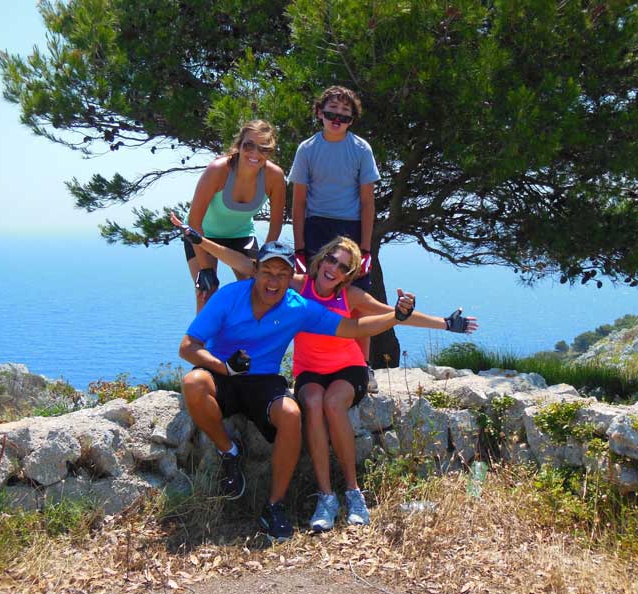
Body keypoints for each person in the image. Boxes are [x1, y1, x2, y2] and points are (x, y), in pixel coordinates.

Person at [171, 218, 479, 533]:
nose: (334, 267)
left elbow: (362, 325)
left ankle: (320, 497)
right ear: (320, 259)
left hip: (323, 372)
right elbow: (243, 265)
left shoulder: (315, 303)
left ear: (350, 274)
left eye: (343, 266)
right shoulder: (289, 286)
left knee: (315, 408)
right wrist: (200, 241)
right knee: (208, 384)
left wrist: (433, 321)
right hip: (295, 372)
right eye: (331, 258)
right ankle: (282, 475)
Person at [288, 86, 381, 390]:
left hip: (352, 229)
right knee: (314, 299)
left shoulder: (360, 149)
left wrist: (366, 248)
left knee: (358, 301)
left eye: (344, 115)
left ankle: (363, 367)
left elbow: (368, 202)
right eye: (330, 113)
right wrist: (300, 248)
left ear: (352, 119)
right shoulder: (307, 149)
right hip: (316, 228)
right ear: (319, 114)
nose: (336, 119)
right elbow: (298, 203)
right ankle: (309, 367)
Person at [183, 119, 286, 313]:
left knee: (257, 288)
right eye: (249, 145)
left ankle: (247, 340)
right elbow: (194, 222)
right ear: (239, 145)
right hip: (201, 235)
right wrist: (206, 270)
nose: (255, 153)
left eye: (263, 148)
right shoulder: (218, 170)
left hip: (241, 235)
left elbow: (275, 225)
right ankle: (199, 342)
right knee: (206, 290)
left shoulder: (274, 176)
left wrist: (264, 261)